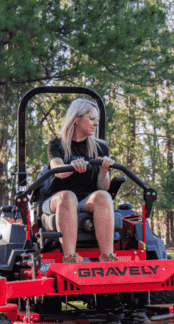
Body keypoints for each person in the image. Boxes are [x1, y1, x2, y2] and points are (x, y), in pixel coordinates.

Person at [43, 98, 117, 263]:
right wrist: (71, 166)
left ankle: (107, 257)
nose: (95, 124)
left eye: (97, 120)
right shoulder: (56, 145)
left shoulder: (100, 147)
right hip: (56, 199)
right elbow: (58, 170)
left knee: (103, 197)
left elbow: (103, 187)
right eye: (92, 119)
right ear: (76, 118)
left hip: (85, 199)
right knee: (67, 197)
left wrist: (104, 171)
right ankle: (70, 257)